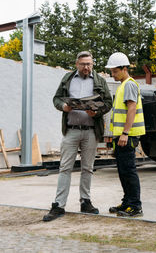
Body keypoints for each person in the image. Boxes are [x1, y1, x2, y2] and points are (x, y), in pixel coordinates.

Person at [43, 51, 113, 222]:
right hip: (71, 130)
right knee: (65, 167)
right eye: (83, 64)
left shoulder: (100, 81)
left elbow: (108, 103)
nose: (87, 67)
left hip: (91, 131)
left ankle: (85, 202)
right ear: (77, 64)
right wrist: (63, 107)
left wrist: (96, 111)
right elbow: (56, 99)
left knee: (87, 168)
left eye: (89, 64)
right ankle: (59, 205)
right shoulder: (67, 79)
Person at [106, 52, 146, 217]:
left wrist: (125, 133)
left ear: (124, 69)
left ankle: (135, 206)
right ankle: (127, 202)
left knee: (128, 171)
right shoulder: (123, 85)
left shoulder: (129, 85)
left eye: (115, 71)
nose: (112, 74)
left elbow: (132, 108)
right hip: (122, 137)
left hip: (127, 137)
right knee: (123, 171)